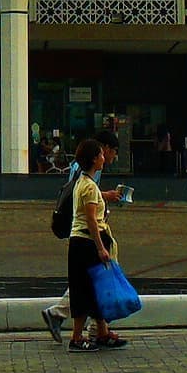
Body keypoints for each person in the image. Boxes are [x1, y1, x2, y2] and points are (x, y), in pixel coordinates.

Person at [64, 134, 124, 351]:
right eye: (100, 155)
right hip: (86, 243)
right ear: (93, 159)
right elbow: (91, 220)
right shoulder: (89, 186)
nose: (104, 158)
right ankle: (77, 338)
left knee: (94, 289)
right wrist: (100, 248)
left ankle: (101, 332)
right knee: (85, 290)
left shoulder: (84, 182)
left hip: (82, 241)